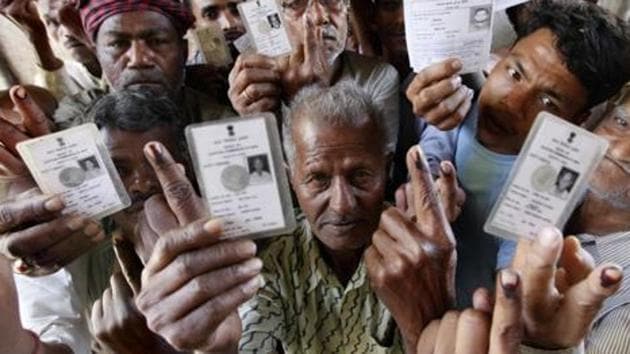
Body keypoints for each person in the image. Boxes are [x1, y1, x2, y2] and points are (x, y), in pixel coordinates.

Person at [406, 0, 630, 306]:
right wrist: (428, 185)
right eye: (514, 73)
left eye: (548, 102)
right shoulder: (460, 105)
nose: (512, 103)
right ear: (499, 57)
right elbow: (432, 148)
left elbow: (514, 275)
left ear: (576, 120)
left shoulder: (549, 181)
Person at [12, 89, 191, 354]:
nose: (140, 184)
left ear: (184, 165)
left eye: (157, 163)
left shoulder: (220, 235)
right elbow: (53, 329)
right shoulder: (76, 246)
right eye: (119, 170)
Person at [227, 0, 400, 153]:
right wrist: (255, 124)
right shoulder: (251, 84)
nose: (320, 17)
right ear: (269, 16)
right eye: (295, 4)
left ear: (347, 9)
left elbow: (371, 174)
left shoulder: (377, 77)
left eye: (331, 1)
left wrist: (302, 100)